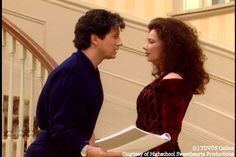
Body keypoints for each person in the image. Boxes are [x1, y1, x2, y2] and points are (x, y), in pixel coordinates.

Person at [25, 9, 125, 157]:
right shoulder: (71, 72)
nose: (120, 43)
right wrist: (91, 152)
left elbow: (81, 121)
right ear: (95, 39)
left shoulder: (88, 69)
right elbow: (60, 128)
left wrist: (92, 144)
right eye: (115, 36)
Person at [135, 17, 209, 156]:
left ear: (169, 46)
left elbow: (169, 134)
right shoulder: (169, 78)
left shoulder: (174, 81)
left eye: (151, 41)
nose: (145, 46)